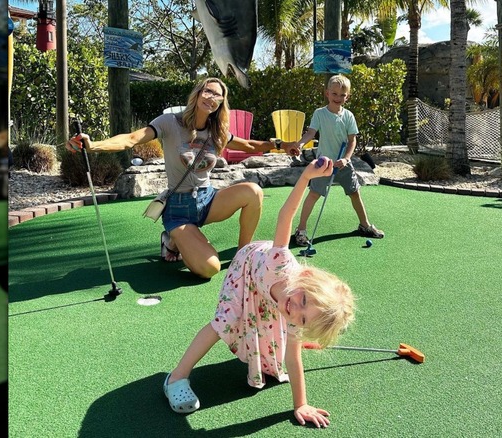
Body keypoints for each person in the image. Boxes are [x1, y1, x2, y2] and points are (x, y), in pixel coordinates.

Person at [162, 156, 356, 428]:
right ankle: (176, 377)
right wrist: (305, 178)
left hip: (266, 288)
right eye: (301, 301)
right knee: (225, 322)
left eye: (302, 318)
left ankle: (262, 356)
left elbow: (293, 355)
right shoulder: (282, 261)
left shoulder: (295, 313)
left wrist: (300, 404)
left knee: (276, 328)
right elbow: (286, 215)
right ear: (306, 278)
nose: (293, 309)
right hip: (248, 268)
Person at [66, 77, 300, 278]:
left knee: (253, 191)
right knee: (210, 269)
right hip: (178, 208)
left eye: (217, 95)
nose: (211, 97)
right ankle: (171, 240)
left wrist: (281, 145)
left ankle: (242, 255)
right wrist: (93, 145)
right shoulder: (169, 123)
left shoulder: (216, 130)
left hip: (207, 201)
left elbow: (249, 145)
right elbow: (131, 139)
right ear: (198, 94)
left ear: (221, 102)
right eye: (207, 91)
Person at [285, 74, 385, 246]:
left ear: (348, 96)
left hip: (343, 163)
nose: (338, 98)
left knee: (355, 193)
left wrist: (346, 159)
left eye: (342, 95)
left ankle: (365, 225)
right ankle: (301, 230)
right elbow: (310, 133)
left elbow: (352, 140)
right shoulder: (320, 114)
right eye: (334, 94)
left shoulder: (348, 116)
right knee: (314, 194)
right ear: (327, 93)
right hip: (323, 164)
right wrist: (300, 144)